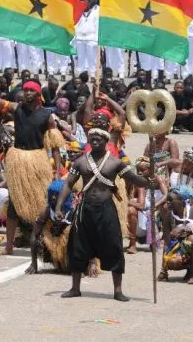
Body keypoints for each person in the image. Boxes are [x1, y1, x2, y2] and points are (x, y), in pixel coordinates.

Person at [55, 128, 156, 302]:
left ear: (106, 141)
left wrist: (149, 182)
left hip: (106, 210)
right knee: (77, 246)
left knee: (114, 246)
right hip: (84, 210)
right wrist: (58, 207)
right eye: (91, 138)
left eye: (98, 139)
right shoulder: (80, 162)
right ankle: (75, 287)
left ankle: (118, 291)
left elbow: (133, 179)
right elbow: (67, 185)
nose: (94, 141)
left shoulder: (116, 163)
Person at [0, 63, 63, 254]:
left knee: (41, 202)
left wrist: (57, 171)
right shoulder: (16, 108)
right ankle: (9, 245)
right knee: (14, 203)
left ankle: (44, 242)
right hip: (19, 162)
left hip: (37, 163)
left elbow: (55, 147)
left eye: (31, 90)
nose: (27, 93)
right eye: (25, 89)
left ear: (38, 95)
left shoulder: (47, 117)